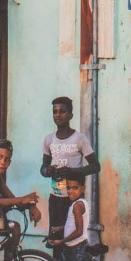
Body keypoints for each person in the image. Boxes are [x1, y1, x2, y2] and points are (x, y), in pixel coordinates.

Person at [40, 96, 99, 239]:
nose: (58, 115)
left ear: (70, 115)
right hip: (55, 198)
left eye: (62, 111)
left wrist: (73, 172)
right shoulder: (49, 139)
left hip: (74, 198)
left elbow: (95, 166)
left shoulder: (79, 139)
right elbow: (43, 168)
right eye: (55, 112)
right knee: (56, 238)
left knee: (74, 238)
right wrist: (48, 171)